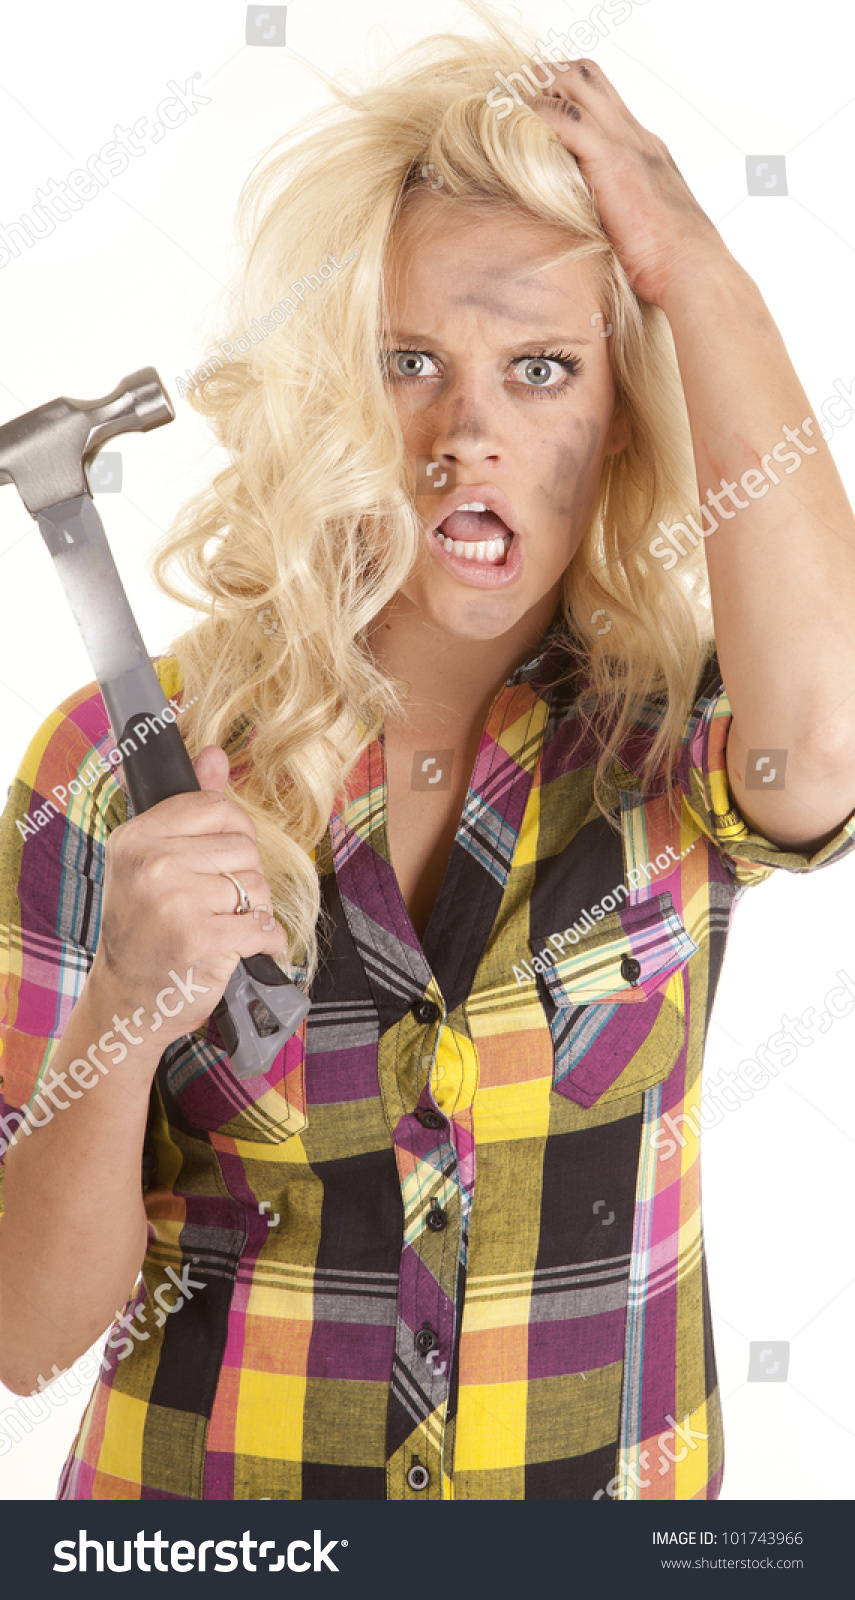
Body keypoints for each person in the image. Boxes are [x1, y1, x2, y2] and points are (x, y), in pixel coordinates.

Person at [2, 12, 855, 1502]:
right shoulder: (116, 767)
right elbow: (23, 1333)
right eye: (409, 362)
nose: (468, 432)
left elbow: (831, 752)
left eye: (540, 370)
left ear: (618, 417)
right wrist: (130, 1012)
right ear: (333, 393)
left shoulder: (677, 735)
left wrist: (701, 282)